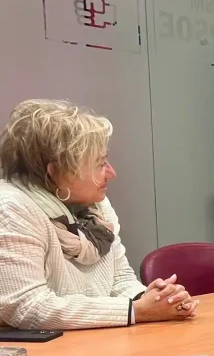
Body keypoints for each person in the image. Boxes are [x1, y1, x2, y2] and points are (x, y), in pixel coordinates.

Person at [0, 99, 199, 330]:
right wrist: (135, 311)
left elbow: (120, 279)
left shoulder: (98, 207)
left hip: (97, 343)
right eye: (100, 163)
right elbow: (28, 307)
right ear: (55, 171)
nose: (111, 173)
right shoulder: (11, 209)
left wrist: (154, 299)